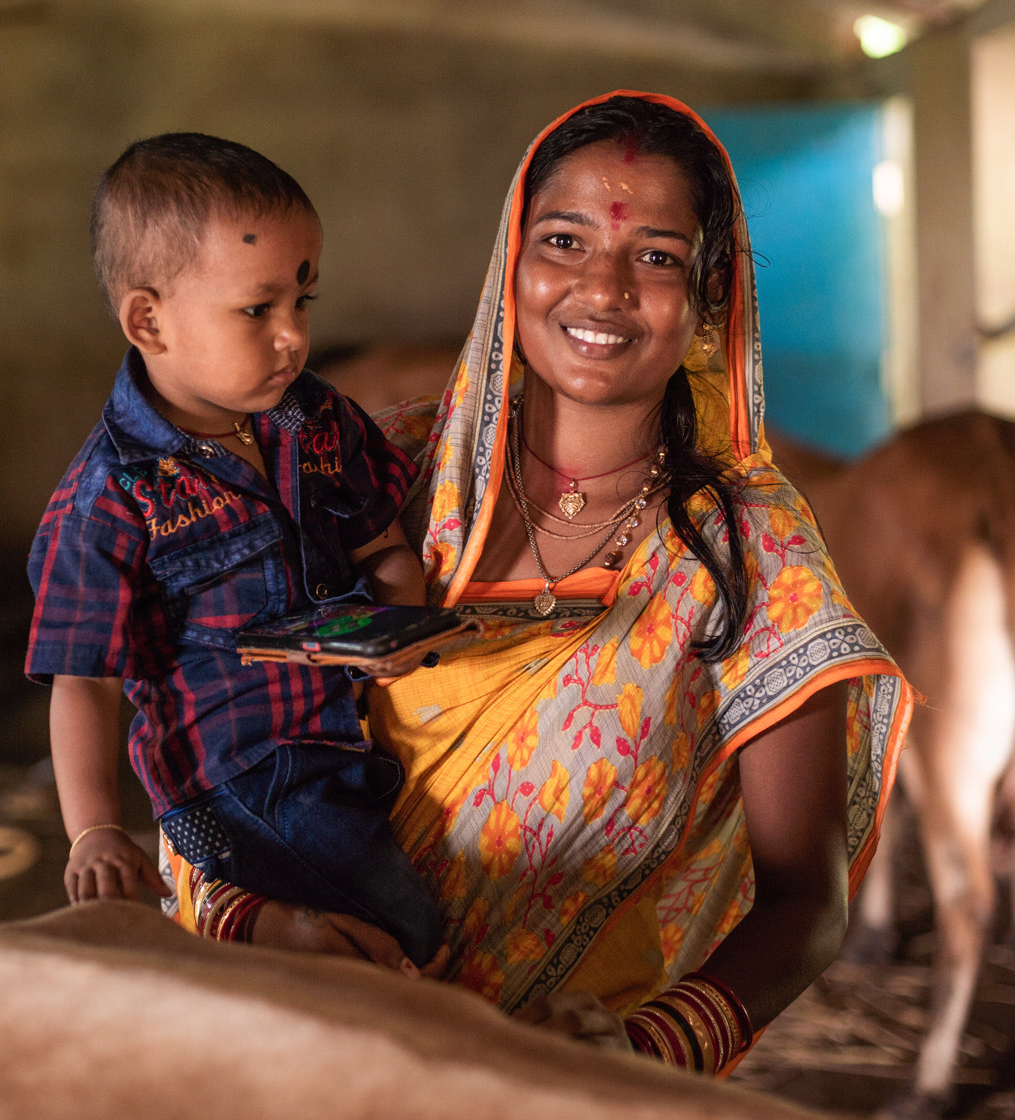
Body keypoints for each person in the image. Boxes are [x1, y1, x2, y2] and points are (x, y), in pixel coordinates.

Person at [161, 93, 911, 1073]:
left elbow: (804, 902)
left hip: (551, 1077)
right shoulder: (369, 473)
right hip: (292, 1038)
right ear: (510, 263)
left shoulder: (748, 557)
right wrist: (250, 914)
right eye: (563, 241)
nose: (600, 289)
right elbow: (196, 736)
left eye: (654, 256)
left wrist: (632, 1049)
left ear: (707, 294)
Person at [25, 132, 444, 969]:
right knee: (409, 936)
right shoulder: (111, 495)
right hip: (243, 777)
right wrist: (97, 832)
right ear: (149, 320)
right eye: (258, 310)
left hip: (358, 730)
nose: (293, 336)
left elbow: (386, 549)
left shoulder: (317, 420)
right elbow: (84, 683)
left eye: (304, 300)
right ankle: (235, 911)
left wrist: (402, 628)